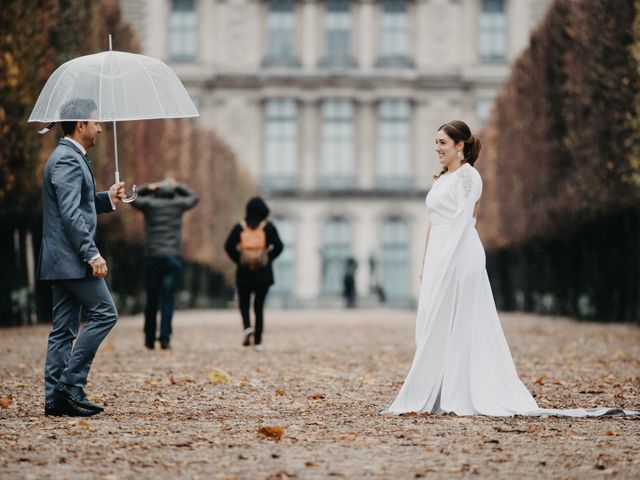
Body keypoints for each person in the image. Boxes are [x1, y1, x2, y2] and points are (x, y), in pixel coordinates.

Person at [384, 120, 637, 417]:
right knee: (432, 321)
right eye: (436, 142)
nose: (436, 148)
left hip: (459, 256)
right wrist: (427, 263)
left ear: (459, 145)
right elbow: (433, 224)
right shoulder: (442, 180)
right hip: (441, 254)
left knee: (459, 322)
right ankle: (438, 387)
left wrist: (445, 263)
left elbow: (462, 223)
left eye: (442, 142)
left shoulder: (470, 178)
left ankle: (457, 389)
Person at [39, 99, 125, 417]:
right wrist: (92, 253)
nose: (100, 128)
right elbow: (70, 212)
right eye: (95, 122)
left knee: (63, 329)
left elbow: (80, 201)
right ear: (80, 125)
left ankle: (54, 399)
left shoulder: (69, 157)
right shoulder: (67, 159)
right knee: (105, 314)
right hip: (72, 258)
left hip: (63, 259)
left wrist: (107, 198)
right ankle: (70, 387)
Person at [130, 178, 198, 350]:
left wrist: (149, 186)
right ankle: (165, 338)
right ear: (172, 193)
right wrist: (178, 186)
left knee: (151, 299)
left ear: (157, 193)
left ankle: (149, 338)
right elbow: (193, 197)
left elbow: (133, 197)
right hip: (172, 258)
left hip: (153, 257)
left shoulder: (149, 205)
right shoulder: (178, 205)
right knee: (168, 300)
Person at [224, 197, 283, 351]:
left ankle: (247, 328)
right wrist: (267, 258)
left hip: (244, 273)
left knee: (244, 304)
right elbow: (279, 246)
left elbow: (228, 246)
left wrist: (240, 260)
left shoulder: (240, 227)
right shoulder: (268, 227)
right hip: (263, 274)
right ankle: (258, 341)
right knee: (258, 306)